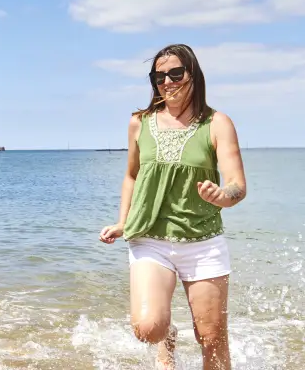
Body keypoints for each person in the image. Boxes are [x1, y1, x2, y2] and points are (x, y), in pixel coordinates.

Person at [98, 43, 249, 370]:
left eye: (175, 73)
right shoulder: (140, 122)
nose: (167, 82)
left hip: (202, 241)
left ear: (192, 74)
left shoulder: (217, 123)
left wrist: (223, 196)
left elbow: (237, 184)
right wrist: (123, 220)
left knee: (211, 337)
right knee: (148, 329)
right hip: (150, 237)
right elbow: (131, 176)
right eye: (158, 76)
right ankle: (167, 340)